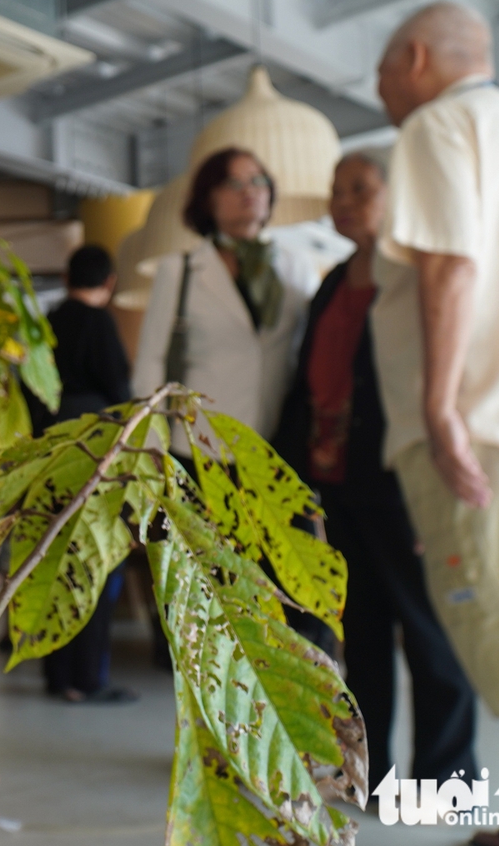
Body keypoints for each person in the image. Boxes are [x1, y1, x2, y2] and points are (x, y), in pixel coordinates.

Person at [274, 153, 477, 795]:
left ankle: (445, 783)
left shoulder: (414, 276)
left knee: (429, 631)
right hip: (336, 479)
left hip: (402, 475)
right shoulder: (333, 280)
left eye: (360, 190)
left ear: (395, 195)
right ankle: (376, 775)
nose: (345, 202)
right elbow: (309, 385)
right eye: (337, 191)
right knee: (359, 634)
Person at [371, 1, 499, 846]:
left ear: (414, 57)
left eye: (381, 76)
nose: (381, 95)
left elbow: (452, 262)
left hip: (471, 427)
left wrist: (439, 407)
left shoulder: (438, 123)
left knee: (485, 622)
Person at [133, 148, 319, 463]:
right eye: (233, 183)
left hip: (276, 446)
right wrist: (151, 446)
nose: (248, 191)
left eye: (257, 181)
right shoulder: (180, 270)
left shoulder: (296, 267)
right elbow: (152, 360)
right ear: (208, 198)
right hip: (198, 445)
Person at [29, 245, 136, 703]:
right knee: (95, 563)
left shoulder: (47, 326)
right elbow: (121, 392)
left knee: (51, 563)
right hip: (95, 456)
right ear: (109, 282)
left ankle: (56, 675)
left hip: (49, 457)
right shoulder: (100, 324)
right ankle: (88, 678)